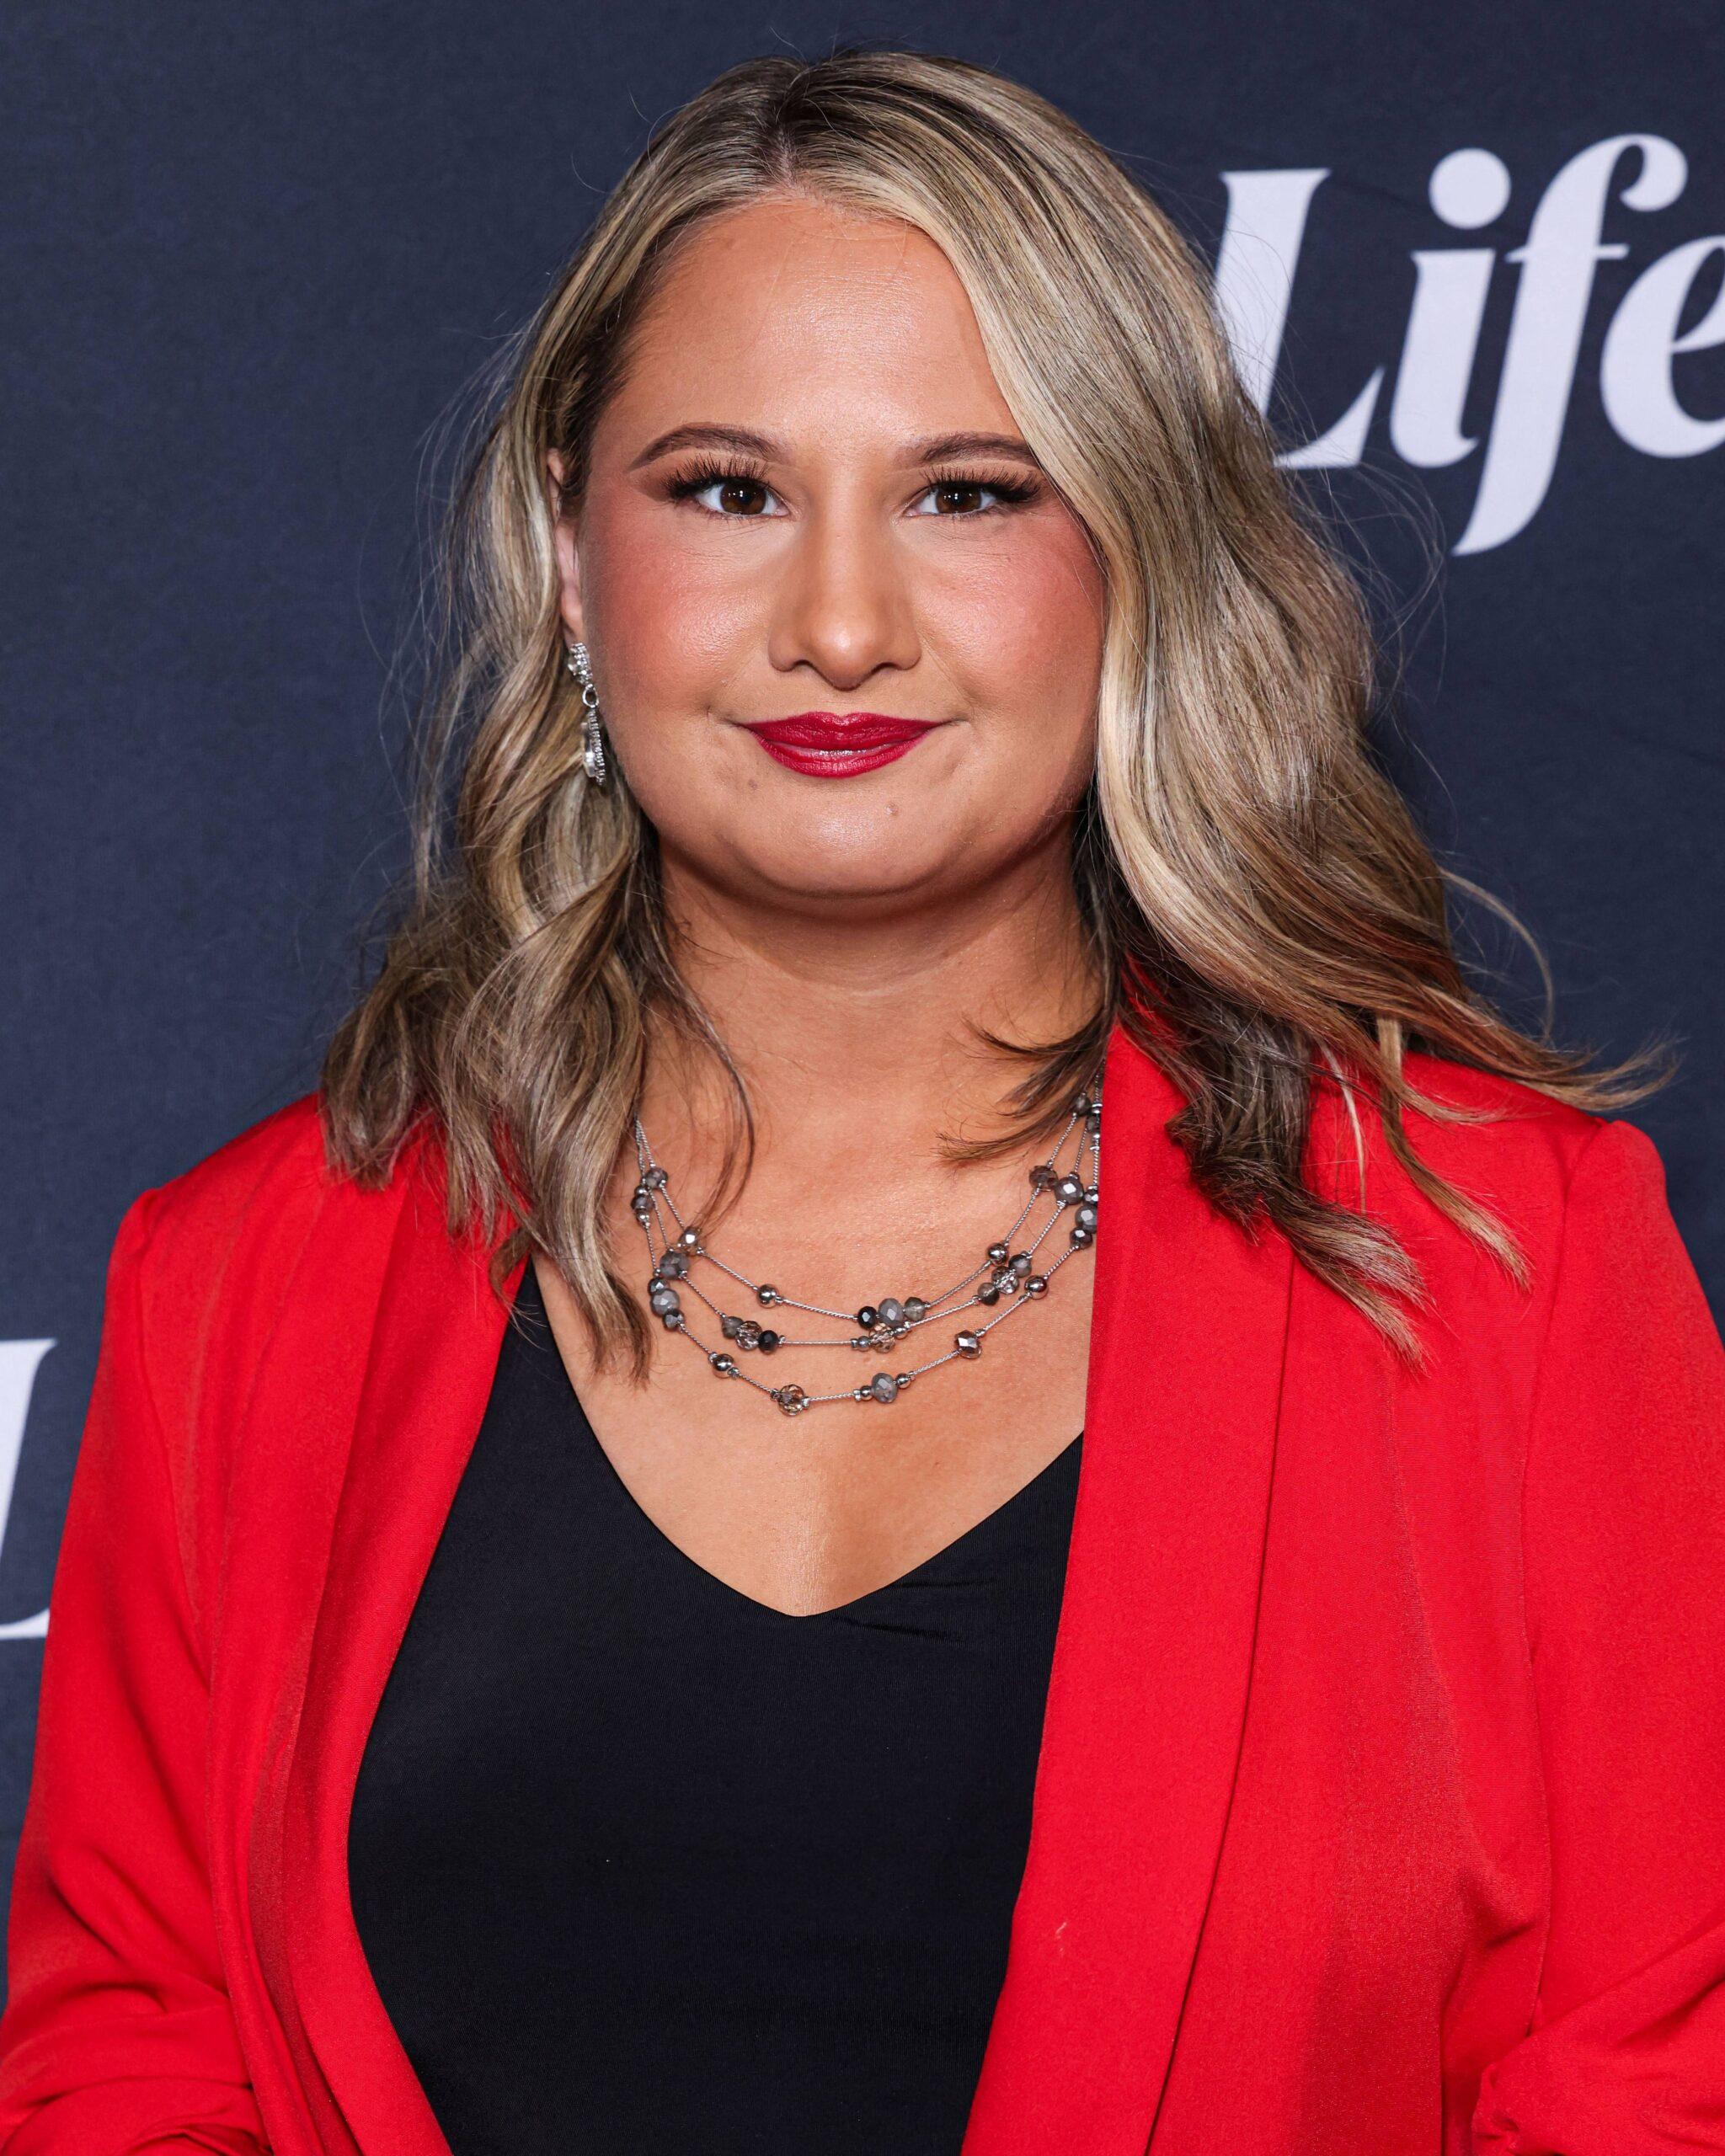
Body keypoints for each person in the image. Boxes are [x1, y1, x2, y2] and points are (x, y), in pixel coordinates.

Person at [2, 42, 1722, 2156]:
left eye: (969, 492)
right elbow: (130, 2058)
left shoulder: (1503, 1266)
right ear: (568, 555)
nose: (838, 623)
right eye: (727, 488)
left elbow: (1653, 2082)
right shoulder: (243, 1281)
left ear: (1139, 559)